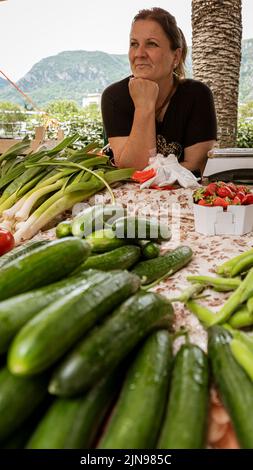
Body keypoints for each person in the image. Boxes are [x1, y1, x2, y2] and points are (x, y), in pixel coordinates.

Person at [101, 7, 217, 174]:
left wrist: (149, 175)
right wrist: (144, 106)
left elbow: (197, 167)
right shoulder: (114, 97)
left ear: (176, 57)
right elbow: (132, 168)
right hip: (130, 199)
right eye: (134, 44)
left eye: (151, 44)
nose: (139, 54)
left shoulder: (197, 95)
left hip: (185, 198)